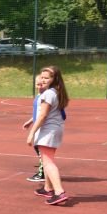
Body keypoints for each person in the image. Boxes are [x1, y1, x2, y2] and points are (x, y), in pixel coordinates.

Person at [27, 66, 69, 205]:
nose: (43, 80)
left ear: (54, 79)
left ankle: (59, 192)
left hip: (48, 130)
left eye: (47, 78)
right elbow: (43, 111)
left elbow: (43, 115)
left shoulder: (48, 94)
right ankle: (48, 188)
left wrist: (32, 133)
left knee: (48, 162)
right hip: (55, 129)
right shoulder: (55, 92)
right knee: (47, 160)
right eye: (42, 77)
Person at [22, 75, 47, 182]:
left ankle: (42, 174)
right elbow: (38, 113)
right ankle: (44, 170)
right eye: (37, 84)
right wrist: (30, 121)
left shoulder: (45, 96)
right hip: (37, 125)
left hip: (42, 127)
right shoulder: (38, 96)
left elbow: (43, 114)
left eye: (41, 84)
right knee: (38, 149)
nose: (39, 86)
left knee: (41, 150)